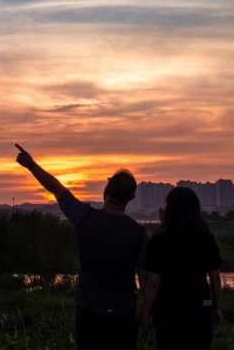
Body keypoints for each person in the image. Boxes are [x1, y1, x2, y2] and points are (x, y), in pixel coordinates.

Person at [15, 143, 149, 350]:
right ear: (131, 197)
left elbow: (57, 188)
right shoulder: (138, 233)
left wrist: (31, 165)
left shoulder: (85, 217)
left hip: (90, 313)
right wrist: (146, 312)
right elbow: (146, 278)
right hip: (123, 316)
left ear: (106, 191)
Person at [141, 187, 223, 349]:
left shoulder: (159, 239)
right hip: (200, 305)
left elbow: (153, 281)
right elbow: (215, 277)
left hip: (168, 308)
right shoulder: (206, 237)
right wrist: (216, 307)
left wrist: (146, 311)